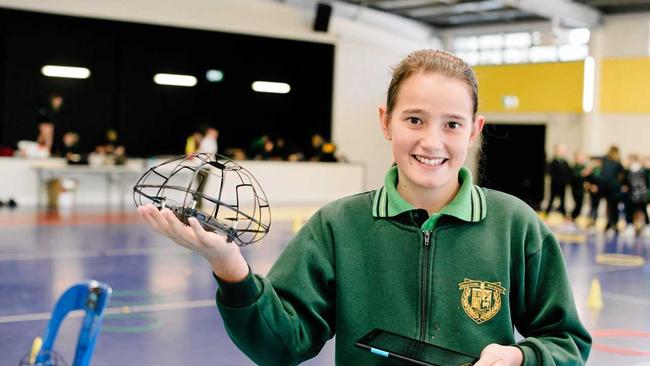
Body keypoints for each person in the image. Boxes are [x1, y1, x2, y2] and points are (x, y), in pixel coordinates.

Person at [138, 49, 591, 365]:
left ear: (474, 131)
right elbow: (281, 347)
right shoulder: (337, 227)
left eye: (452, 124)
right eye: (414, 119)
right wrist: (230, 266)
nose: (432, 142)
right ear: (386, 122)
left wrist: (523, 356)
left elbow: (566, 340)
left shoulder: (515, 226)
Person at [544, 144, 571, 217]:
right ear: (556, 152)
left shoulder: (565, 162)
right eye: (560, 151)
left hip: (563, 185)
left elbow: (569, 173)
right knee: (551, 199)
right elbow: (549, 173)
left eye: (563, 151)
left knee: (562, 200)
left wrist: (567, 182)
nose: (561, 153)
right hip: (555, 185)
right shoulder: (552, 162)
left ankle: (564, 214)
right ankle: (547, 213)